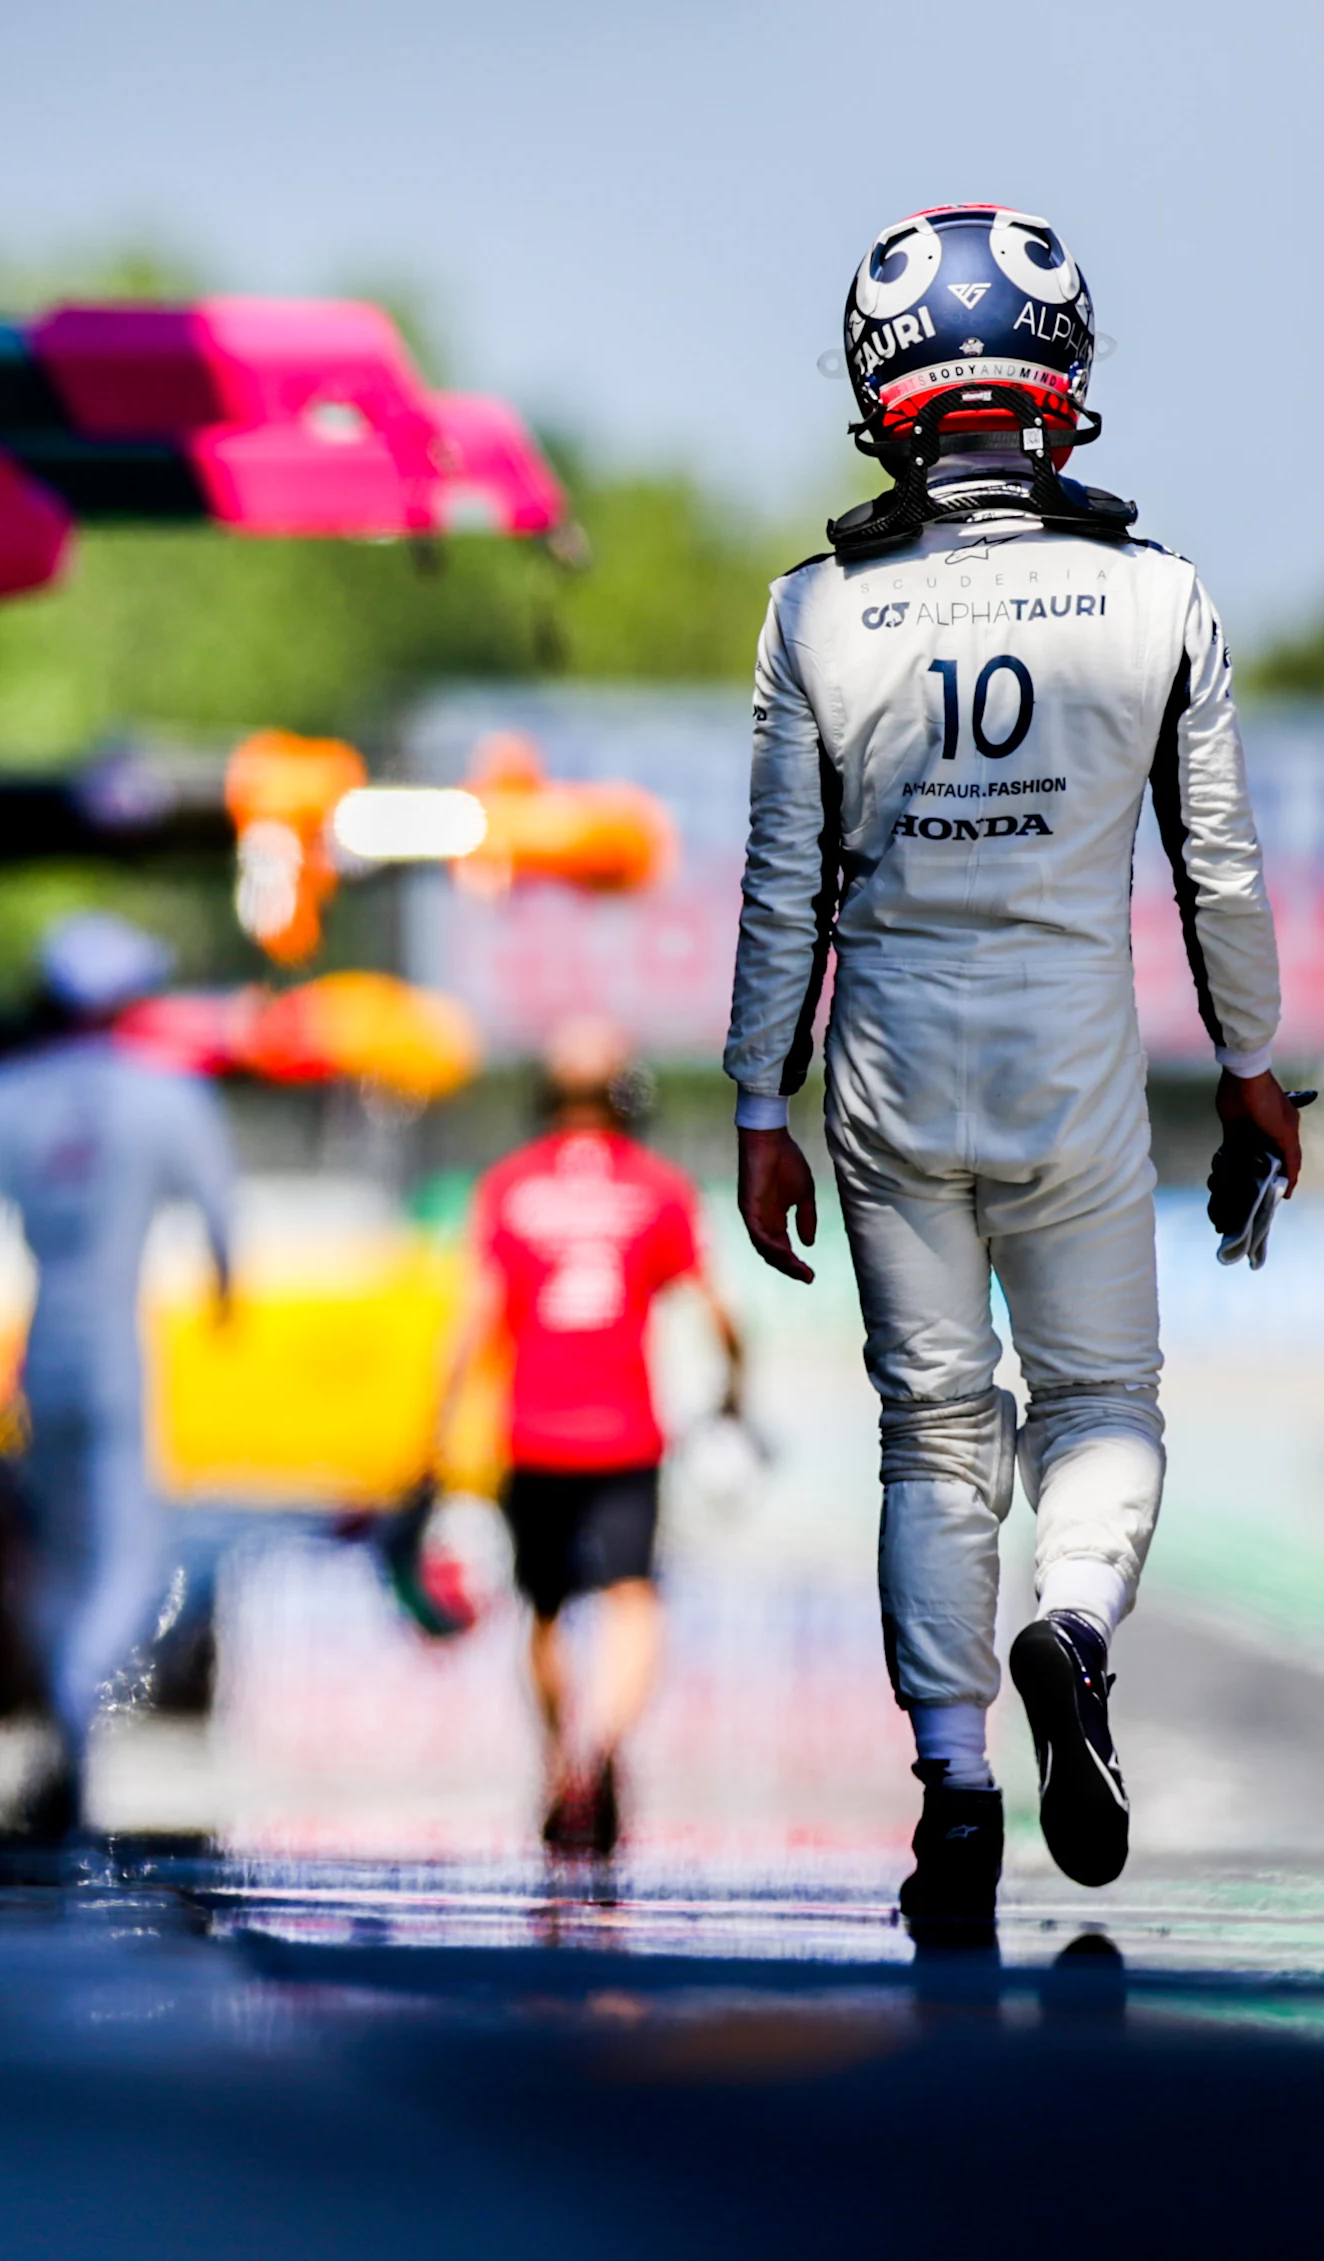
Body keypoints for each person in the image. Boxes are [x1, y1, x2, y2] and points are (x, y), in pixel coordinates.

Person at [729, 206, 1296, 1938]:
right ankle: (1071, 1623)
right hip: (1070, 1057)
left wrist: (760, 1106)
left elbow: (779, 887)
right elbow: (1217, 874)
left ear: (880, 388)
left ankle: (954, 1789)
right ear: (1060, 381)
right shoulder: (1155, 597)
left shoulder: (811, 613)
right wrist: (1257, 1074)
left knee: (929, 1435)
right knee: (1103, 1408)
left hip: (889, 1064)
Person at [0, 910, 237, 1835]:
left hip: (37, 1348)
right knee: (131, 1558)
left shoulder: (1, 1099)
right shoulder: (166, 1096)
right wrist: (226, 1299)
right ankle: (75, 1712)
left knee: (54, 1564)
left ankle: (67, 1730)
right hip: (119, 1349)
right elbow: (222, 1228)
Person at [435, 1018, 743, 1858]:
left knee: (541, 1612)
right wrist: (734, 1396)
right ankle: (600, 1745)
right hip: (624, 1438)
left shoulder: (505, 1186)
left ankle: (556, 1756)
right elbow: (718, 1313)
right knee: (633, 1600)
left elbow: (468, 1324)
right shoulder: (659, 1186)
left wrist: (434, 1433)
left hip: (530, 1434)